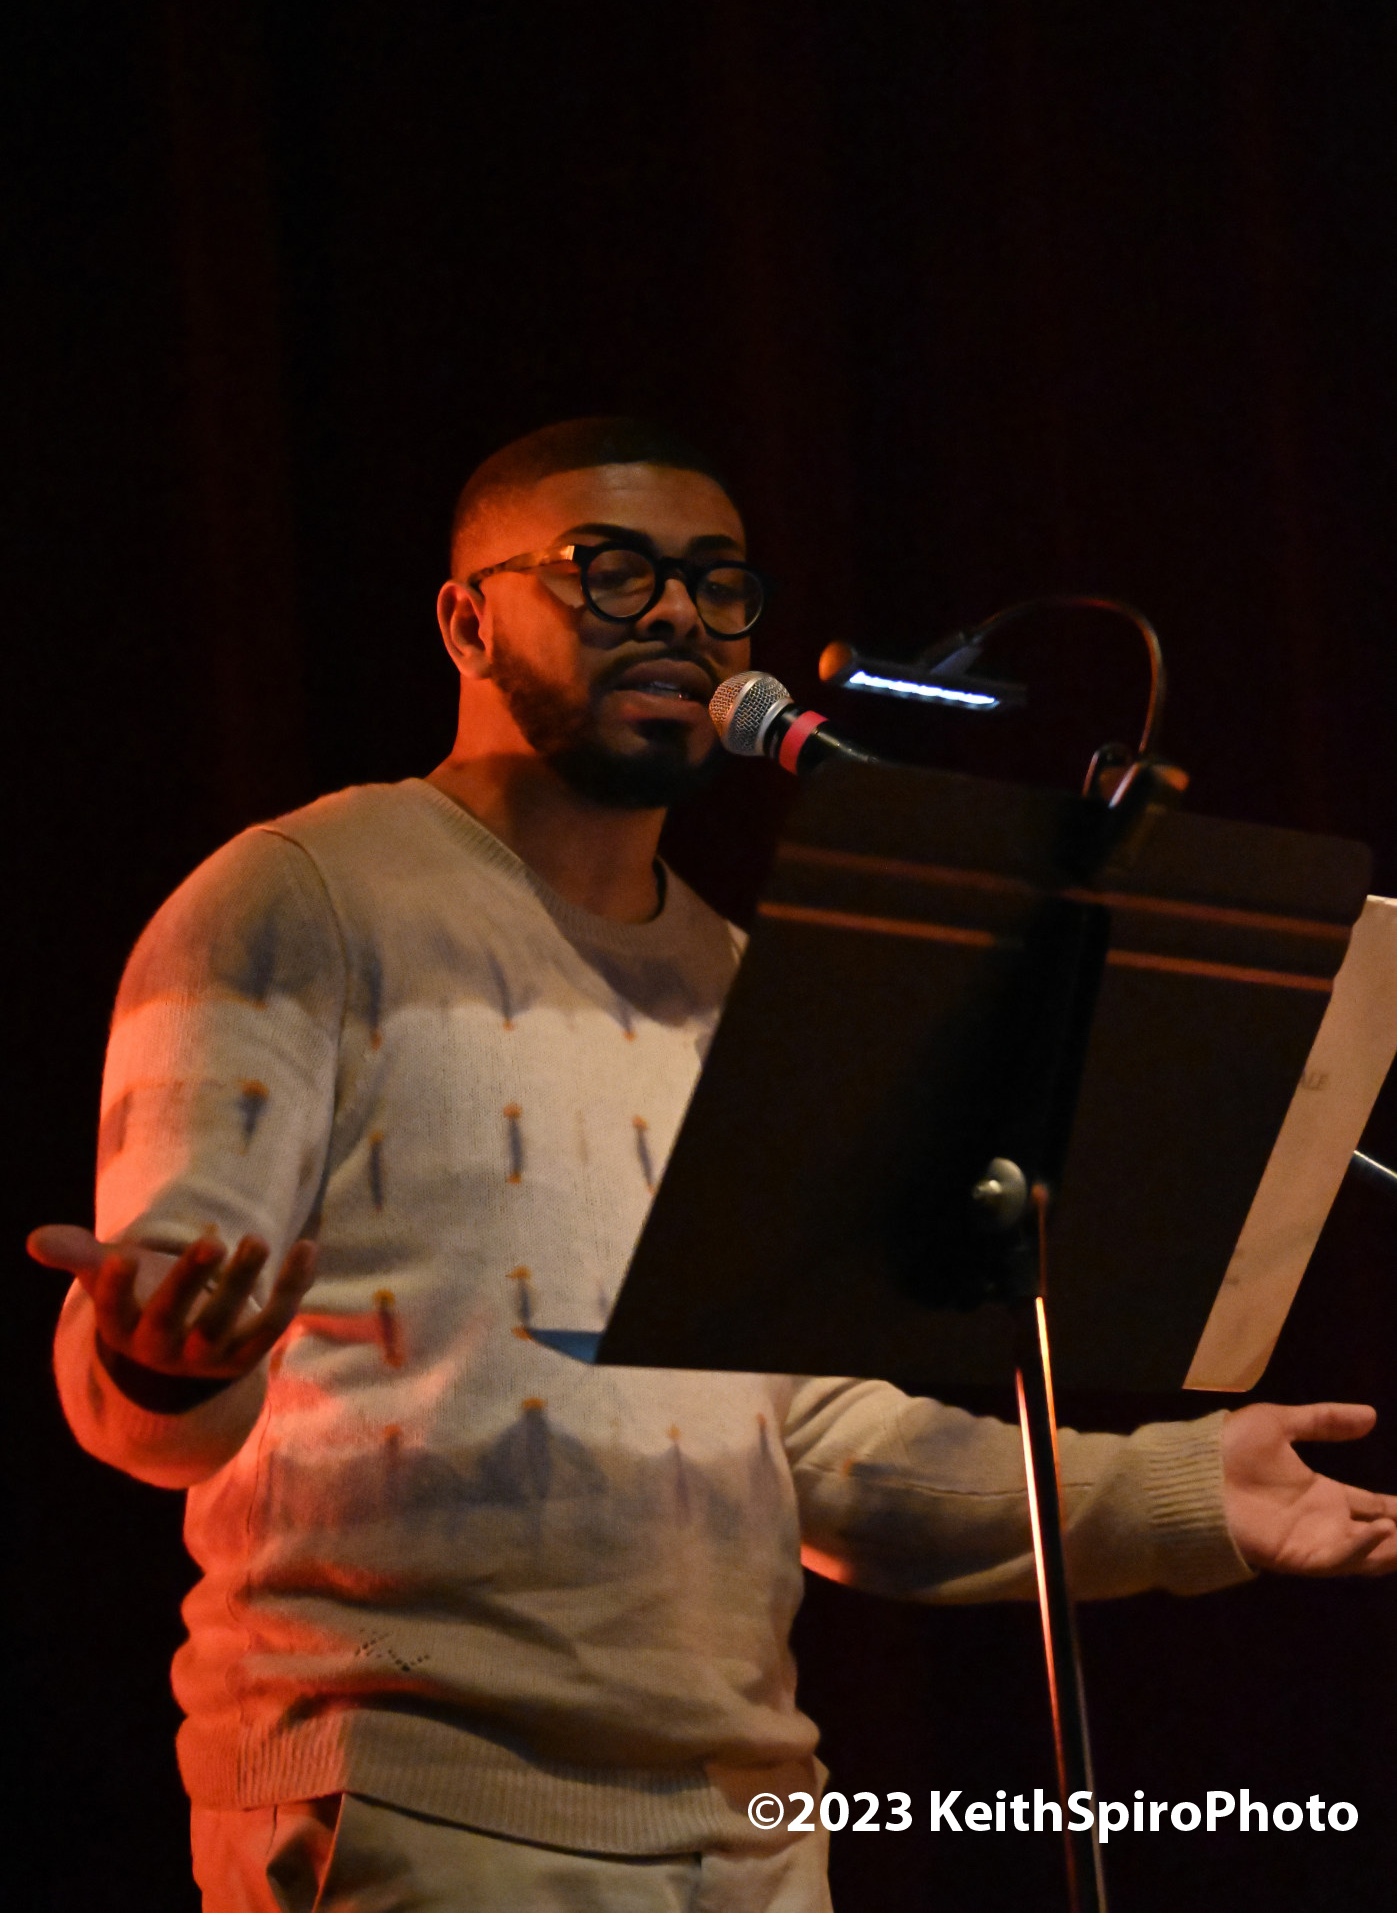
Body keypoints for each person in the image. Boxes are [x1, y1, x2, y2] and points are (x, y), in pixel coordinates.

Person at [32, 417, 1397, 1913]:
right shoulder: (297, 899)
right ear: (467, 619)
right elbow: (152, 1379)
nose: (678, 615)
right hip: (427, 1809)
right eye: (608, 572)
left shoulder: (744, 983)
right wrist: (160, 1360)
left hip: (745, 1831)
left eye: (717, 584)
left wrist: (1180, 1489)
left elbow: (812, 1449)